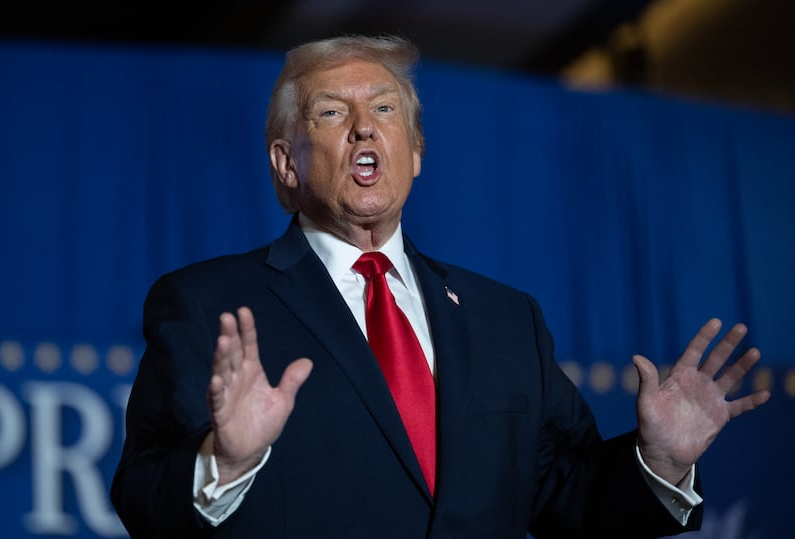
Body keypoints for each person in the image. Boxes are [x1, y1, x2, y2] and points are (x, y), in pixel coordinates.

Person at [110, 34, 770, 538]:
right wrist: (222, 463)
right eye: (332, 112)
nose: (365, 126)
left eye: (386, 108)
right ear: (287, 165)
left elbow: (571, 497)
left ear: (416, 150)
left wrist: (657, 462)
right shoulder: (207, 305)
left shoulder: (505, 319)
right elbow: (140, 498)